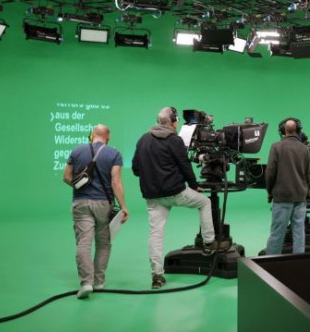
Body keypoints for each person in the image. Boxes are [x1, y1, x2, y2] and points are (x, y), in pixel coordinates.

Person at [132, 107, 217, 289]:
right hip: (176, 193)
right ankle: (209, 243)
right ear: (173, 121)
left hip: (153, 197)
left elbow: (135, 169)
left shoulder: (143, 139)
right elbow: (185, 165)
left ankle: (157, 276)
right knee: (205, 202)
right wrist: (194, 185)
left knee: (156, 234)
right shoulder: (174, 140)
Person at [63, 124, 129, 299]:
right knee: (103, 243)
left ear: (92, 135)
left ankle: (86, 283)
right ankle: (99, 282)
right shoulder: (114, 154)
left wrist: (79, 185)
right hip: (103, 204)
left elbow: (66, 177)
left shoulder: (77, 150)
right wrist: (123, 206)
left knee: (83, 243)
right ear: (108, 137)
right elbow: (116, 182)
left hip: (80, 203)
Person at [265, 119, 310, 255]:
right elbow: (308, 175)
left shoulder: (276, 147)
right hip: (300, 196)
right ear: (298, 130)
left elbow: (270, 172)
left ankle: (272, 262)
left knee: (277, 233)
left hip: (282, 196)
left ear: (283, 130)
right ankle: (299, 263)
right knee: (299, 233)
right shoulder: (305, 149)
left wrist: (270, 191)